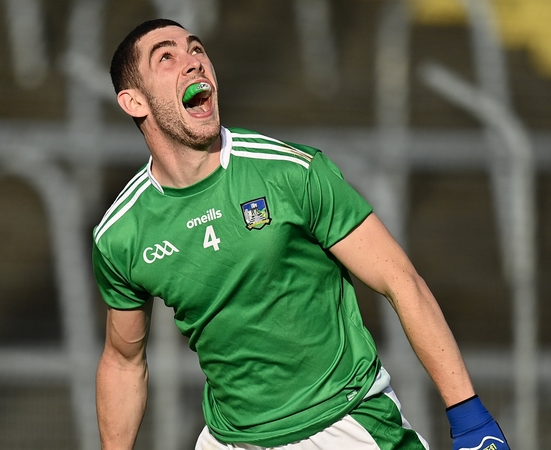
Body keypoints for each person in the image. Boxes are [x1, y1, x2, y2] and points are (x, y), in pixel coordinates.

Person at [92, 18, 510, 450]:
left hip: (345, 425)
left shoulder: (291, 171)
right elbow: (123, 362)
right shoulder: (122, 233)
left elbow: (402, 281)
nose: (193, 63)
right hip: (234, 441)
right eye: (167, 56)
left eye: (196, 49)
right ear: (133, 101)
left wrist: (469, 414)